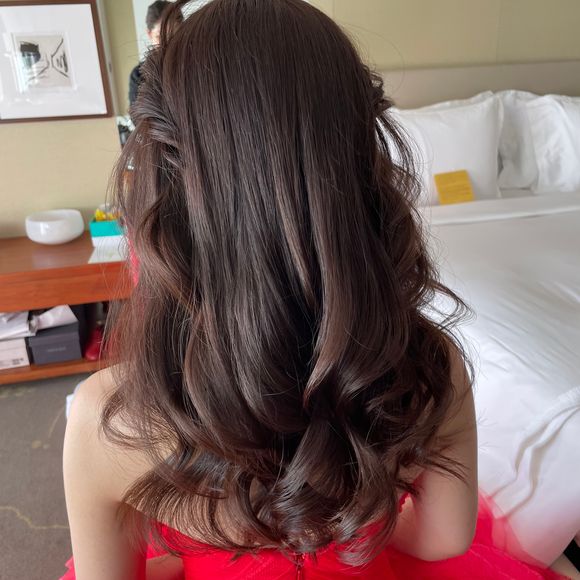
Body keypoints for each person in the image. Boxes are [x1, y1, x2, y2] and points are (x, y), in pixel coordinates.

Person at [62, 1, 572, 578]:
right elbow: (446, 539)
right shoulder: (430, 369)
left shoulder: (110, 418)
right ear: (363, 169)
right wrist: (351, 536)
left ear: (161, 188)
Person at [128, 1, 173, 108]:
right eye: (160, 36)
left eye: (173, 35)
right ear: (149, 34)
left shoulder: (196, 66)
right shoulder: (138, 75)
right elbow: (137, 114)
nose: (167, 43)